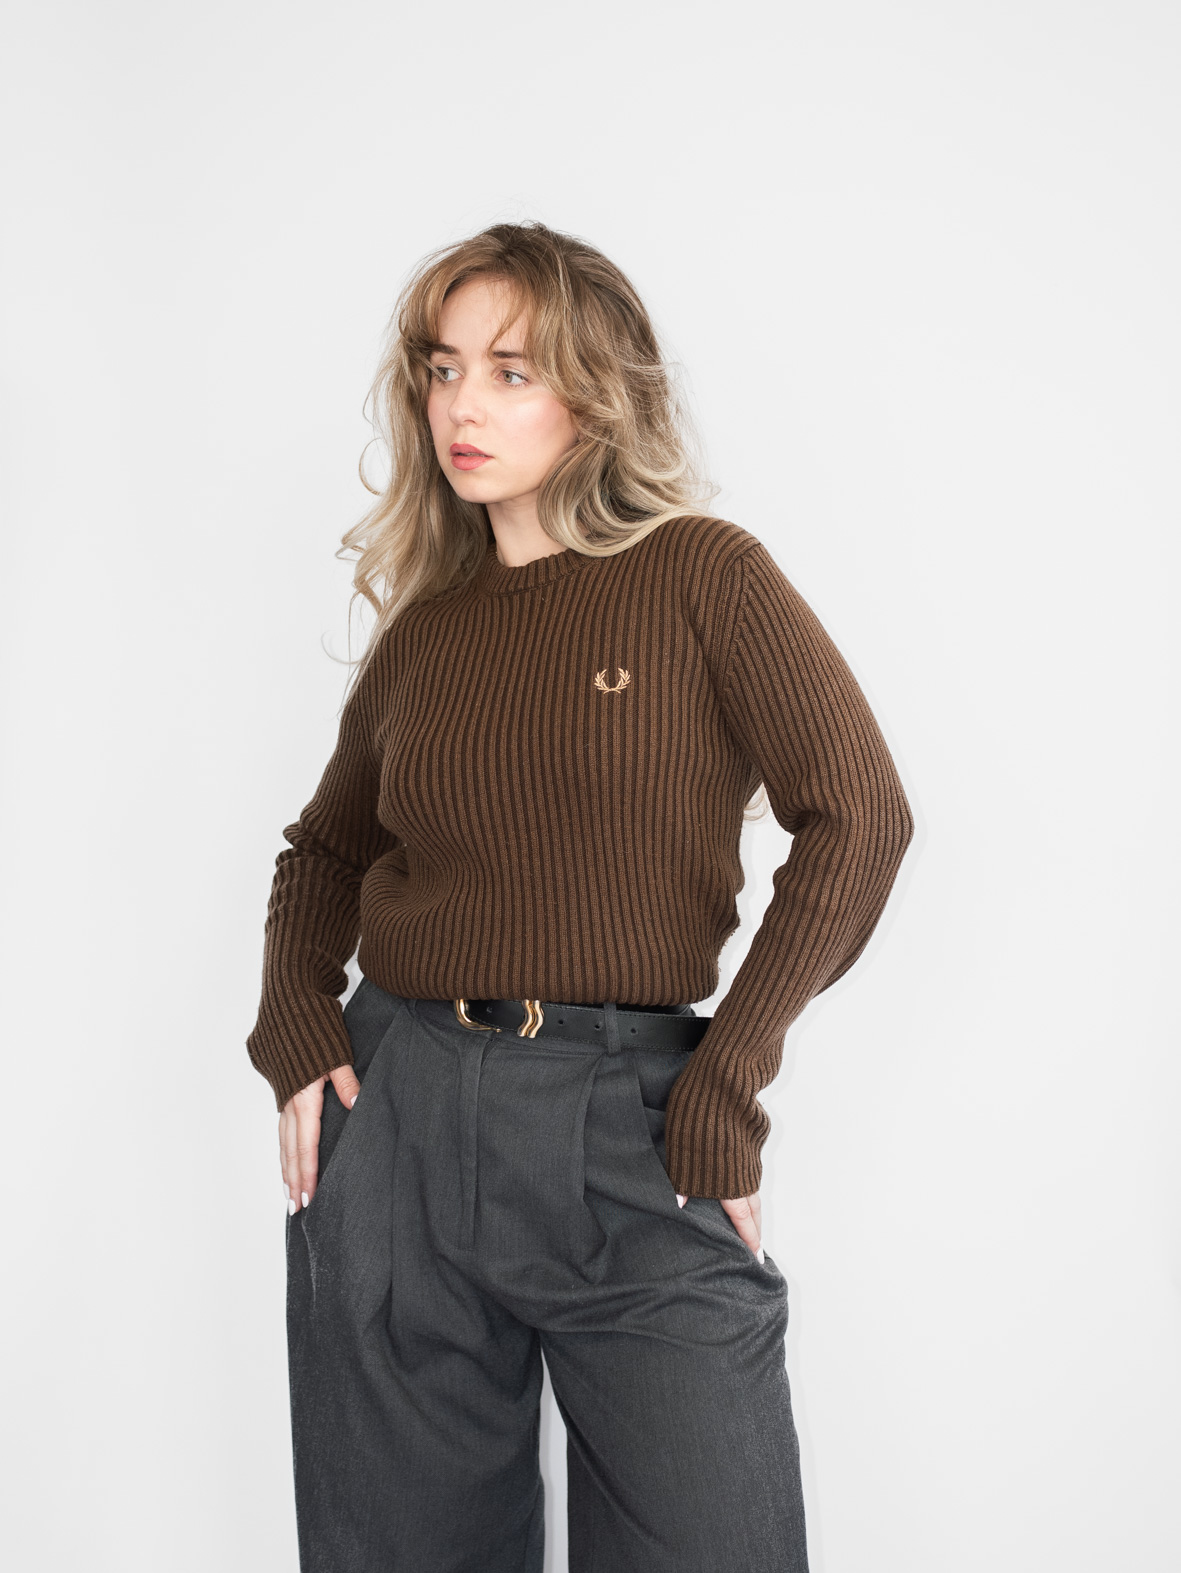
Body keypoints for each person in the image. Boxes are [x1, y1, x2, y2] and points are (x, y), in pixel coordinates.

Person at [246, 220, 914, 1573]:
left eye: (512, 372)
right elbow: (323, 852)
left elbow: (859, 816)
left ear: (596, 395)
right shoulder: (427, 629)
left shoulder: (702, 575)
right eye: (443, 370)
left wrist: (727, 1078)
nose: (464, 407)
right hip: (403, 1116)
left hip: (633, 1123)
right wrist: (297, 1030)